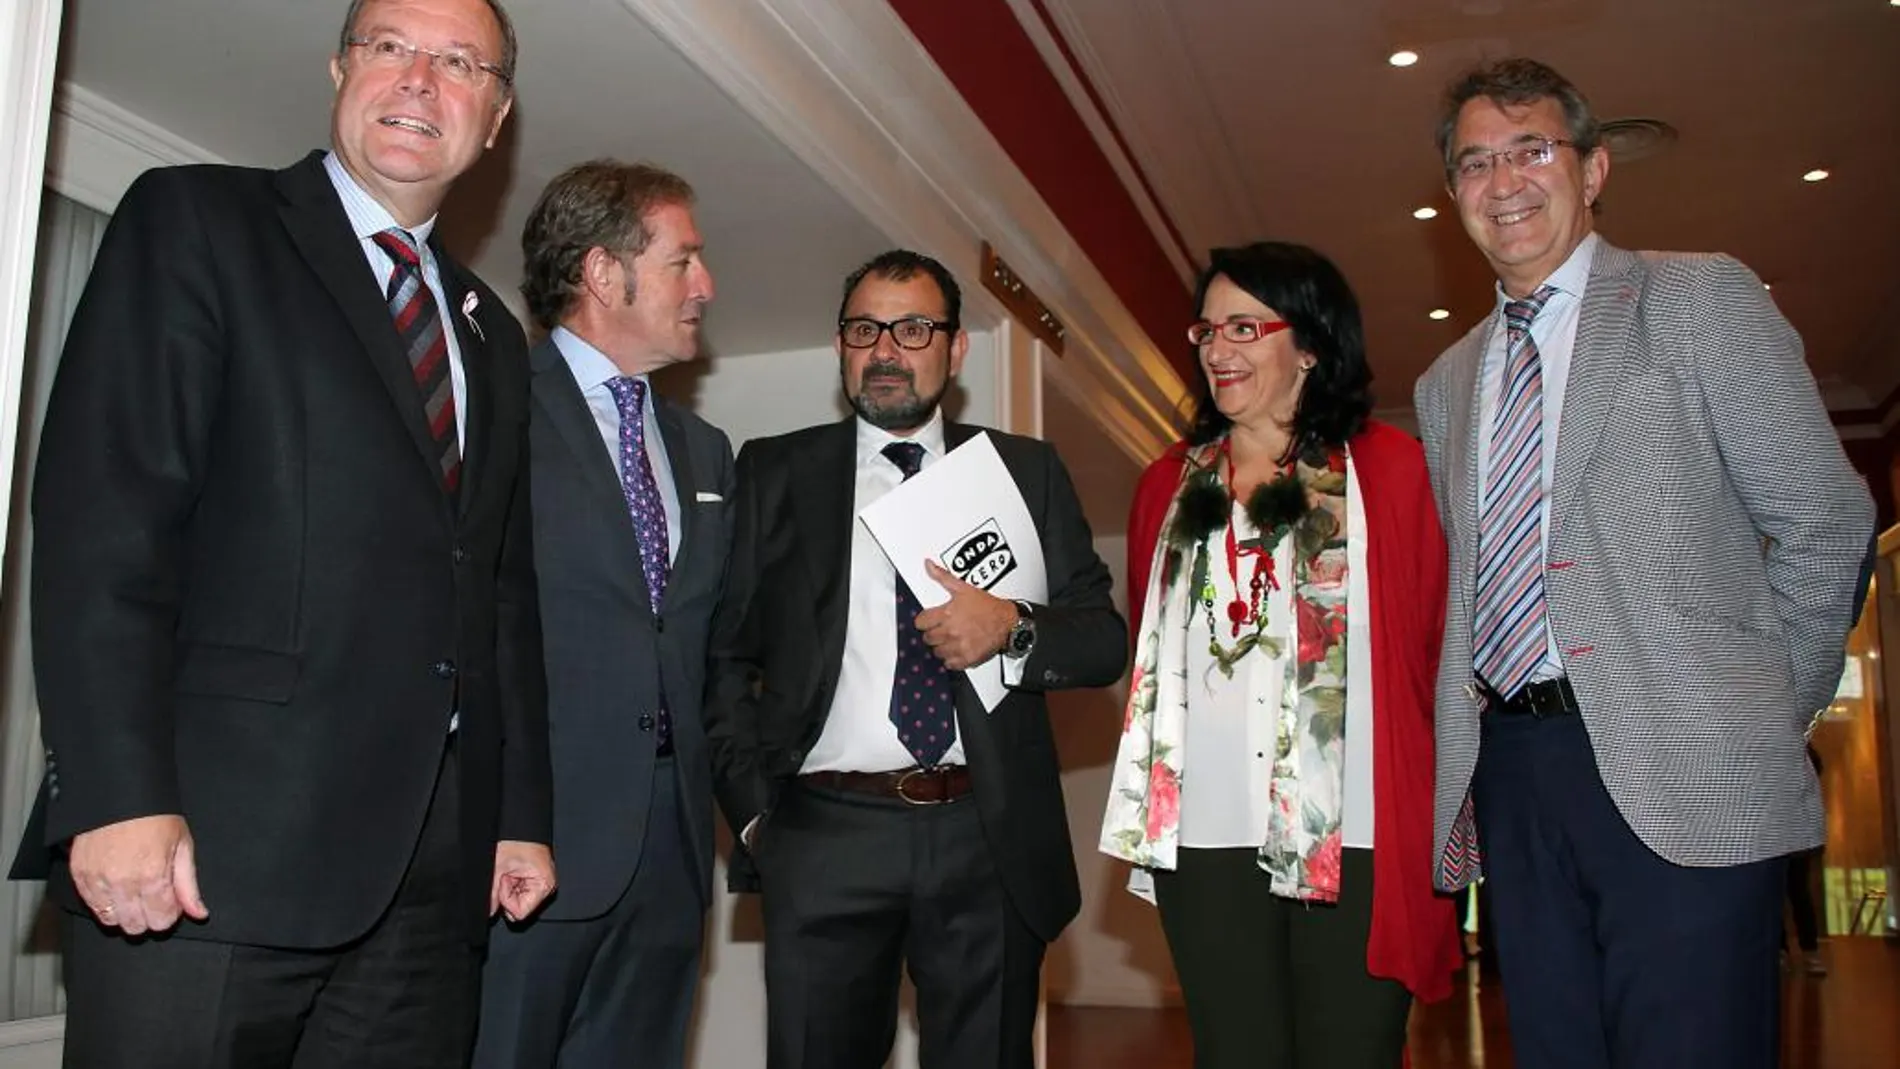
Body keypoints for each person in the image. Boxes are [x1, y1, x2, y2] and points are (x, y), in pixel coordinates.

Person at [14, 1, 556, 1065]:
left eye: (459, 64)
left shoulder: (492, 335)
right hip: (210, 851)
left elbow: (497, 590)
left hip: (430, 879)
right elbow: (106, 523)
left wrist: (517, 811)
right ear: (338, 66)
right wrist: (117, 794)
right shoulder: (199, 222)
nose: (417, 80)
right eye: (389, 47)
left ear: (494, 119)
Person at [1414, 57, 1875, 1069]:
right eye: (1475, 163)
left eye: (1530, 149)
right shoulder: (1445, 382)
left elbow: (1825, 523)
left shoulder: (1698, 298)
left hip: (1689, 763)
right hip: (1516, 773)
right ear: (1453, 195)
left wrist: (1755, 714)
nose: (1505, 182)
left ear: (1592, 168)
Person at [704, 249, 1127, 1069]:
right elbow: (722, 657)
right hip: (824, 833)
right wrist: (758, 817)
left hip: (987, 833)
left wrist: (1010, 626)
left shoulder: (1024, 471)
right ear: (841, 345)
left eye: (912, 328)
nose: (886, 349)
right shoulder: (775, 470)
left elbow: (1103, 638)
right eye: (865, 329)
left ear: (956, 348)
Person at [1100, 242, 1462, 1068]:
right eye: (1206, 330)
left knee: (1353, 1051)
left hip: (1358, 831)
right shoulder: (1167, 483)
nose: (1216, 351)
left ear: (1310, 344)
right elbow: (1151, 664)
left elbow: (1440, 652)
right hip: (1208, 831)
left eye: (1243, 327)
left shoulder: (1394, 473)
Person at [471, 160, 730, 1068]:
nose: (706, 285)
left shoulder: (705, 448)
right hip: (529, 845)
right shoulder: (494, 407)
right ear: (601, 272)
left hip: (672, 856)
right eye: (682, 261)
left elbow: (708, 648)